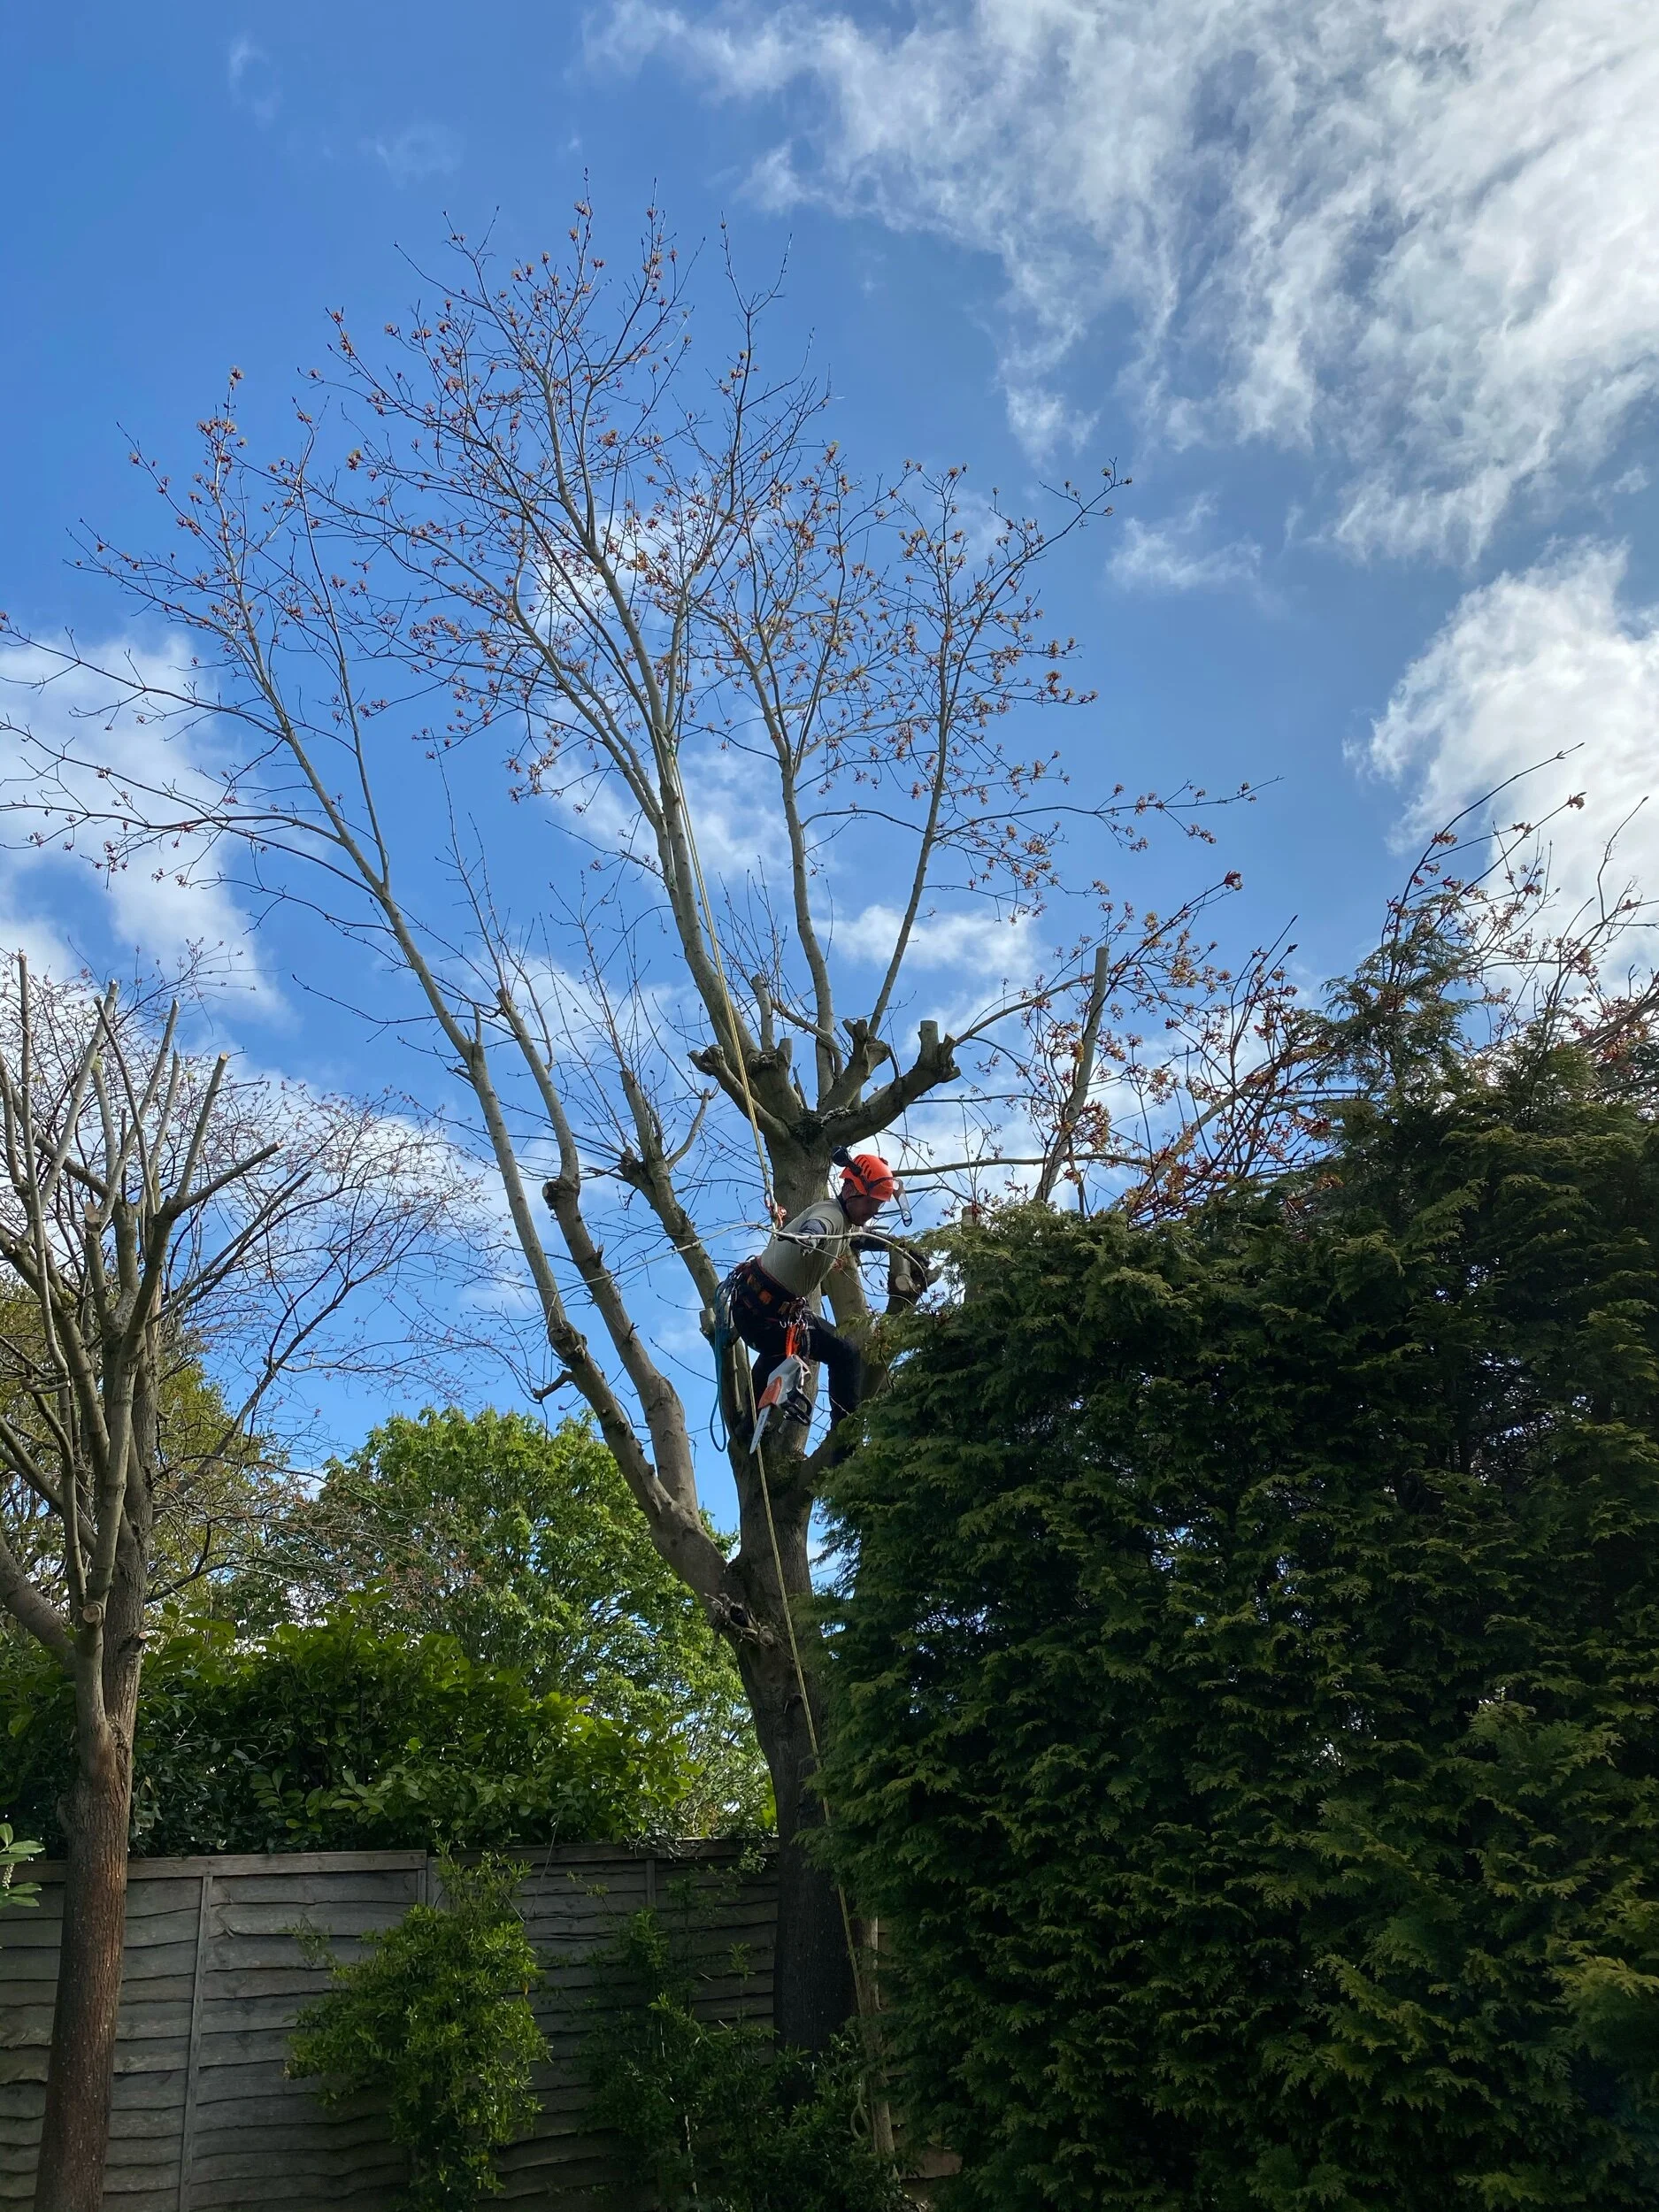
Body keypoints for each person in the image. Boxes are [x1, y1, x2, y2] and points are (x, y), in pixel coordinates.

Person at [724, 1152, 923, 1440]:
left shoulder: (845, 1221)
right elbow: (820, 1226)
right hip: (765, 1315)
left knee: (778, 1351)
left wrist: (895, 1244)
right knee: (844, 1355)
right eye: (870, 1203)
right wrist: (811, 1237)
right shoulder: (830, 1215)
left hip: (756, 1310)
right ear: (851, 1189)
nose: (872, 1211)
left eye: (878, 1206)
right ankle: (846, 1440)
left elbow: (857, 1238)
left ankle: (747, 1428)